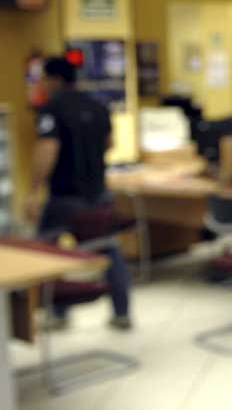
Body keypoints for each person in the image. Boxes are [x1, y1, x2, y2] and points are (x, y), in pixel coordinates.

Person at [25, 56, 132, 330]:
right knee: (109, 249)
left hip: (64, 196)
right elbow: (109, 143)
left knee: (48, 251)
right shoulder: (98, 106)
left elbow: (48, 149)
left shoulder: (52, 109)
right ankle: (122, 312)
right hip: (98, 194)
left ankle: (58, 311)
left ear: (54, 80)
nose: (43, 86)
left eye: (44, 80)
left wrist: (33, 192)